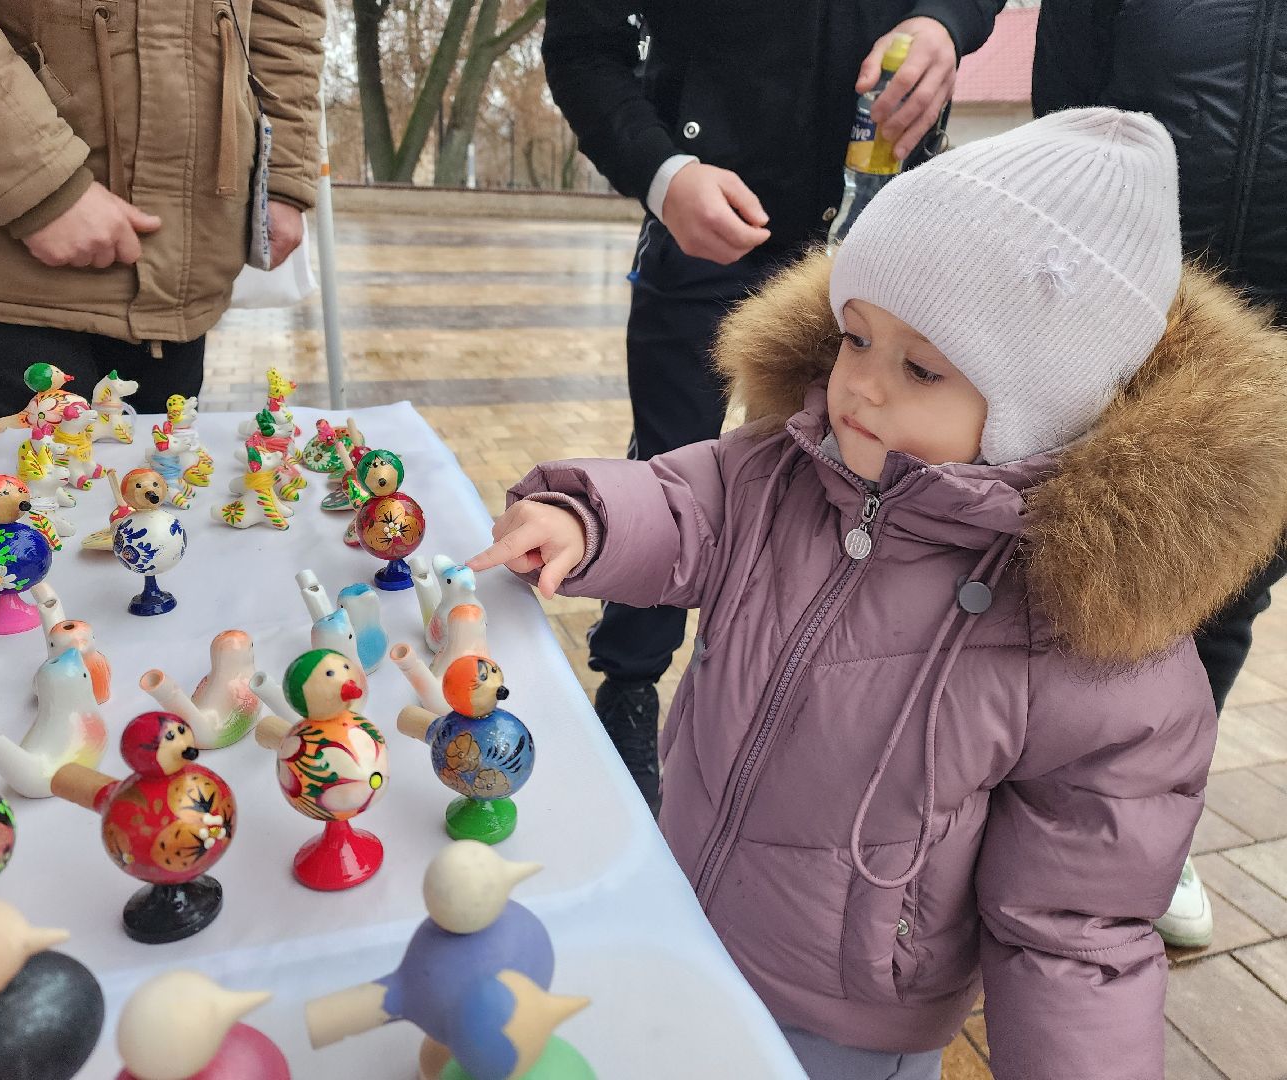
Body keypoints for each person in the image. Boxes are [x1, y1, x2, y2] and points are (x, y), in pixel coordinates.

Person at [468, 110, 1287, 1077]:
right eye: (855, 337)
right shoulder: (792, 466)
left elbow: (1074, 932)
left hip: (852, 1022)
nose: (859, 385)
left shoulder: (1088, 645)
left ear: (1043, 407)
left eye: (921, 368)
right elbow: (690, 504)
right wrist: (588, 520)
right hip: (684, 908)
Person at [541, 0, 1004, 811]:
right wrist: (661, 172)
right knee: (672, 463)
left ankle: (813, 700)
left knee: (861, 477)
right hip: (705, 219)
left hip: (875, 220)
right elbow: (582, 47)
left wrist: (946, 22)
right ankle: (631, 683)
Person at [1034, 0, 1287, 950]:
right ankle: (1022, 800)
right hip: (1136, 315)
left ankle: (1147, 828)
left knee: (1226, 597)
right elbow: (1066, 113)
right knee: (1068, 569)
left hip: (1280, 351)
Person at [0, 0, 325, 419]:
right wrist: (38, 181)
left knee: (160, 479)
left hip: (185, 252)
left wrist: (283, 173)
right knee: (26, 490)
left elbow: (288, 16)